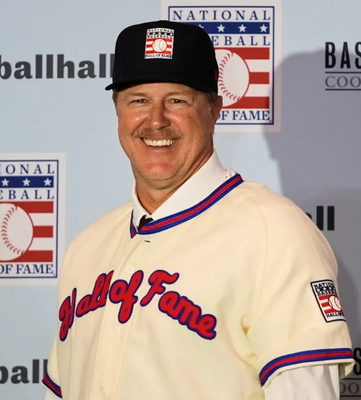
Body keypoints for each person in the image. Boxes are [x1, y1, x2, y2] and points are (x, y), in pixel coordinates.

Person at [42, 20, 354, 400]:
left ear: (214, 109)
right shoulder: (87, 248)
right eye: (138, 100)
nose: (156, 120)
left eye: (177, 100)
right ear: (118, 110)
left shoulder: (273, 232)